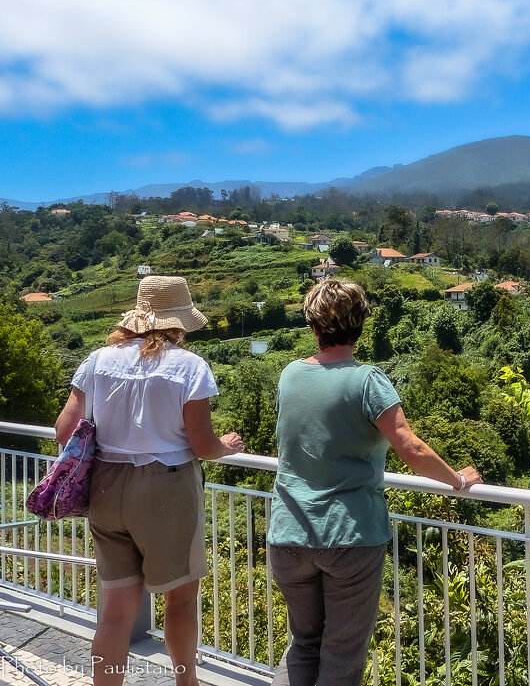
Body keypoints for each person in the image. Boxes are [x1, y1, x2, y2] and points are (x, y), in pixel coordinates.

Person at [269, 278, 482, 686]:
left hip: (289, 534)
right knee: (341, 654)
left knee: (304, 644)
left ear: (313, 327)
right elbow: (409, 446)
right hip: (349, 535)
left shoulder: (289, 375)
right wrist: (457, 478)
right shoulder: (368, 380)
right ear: (360, 325)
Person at [53, 275, 245, 686]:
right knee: (180, 599)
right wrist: (226, 446)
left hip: (106, 485)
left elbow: (64, 428)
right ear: (178, 323)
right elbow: (202, 443)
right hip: (166, 488)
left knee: (117, 609)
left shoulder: (98, 360)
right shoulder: (189, 367)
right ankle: (186, 682)